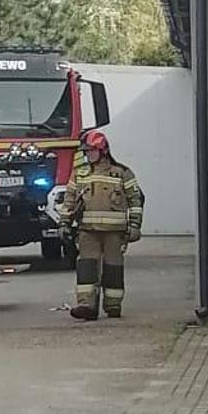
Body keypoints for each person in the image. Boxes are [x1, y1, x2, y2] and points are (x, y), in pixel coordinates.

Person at [59, 130, 143, 320]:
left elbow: (135, 200)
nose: (87, 155)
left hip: (115, 233)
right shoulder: (80, 174)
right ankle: (86, 306)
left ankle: (113, 306)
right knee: (86, 268)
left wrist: (135, 225)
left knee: (113, 268)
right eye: (86, 151)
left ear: (102, 150)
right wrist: (64, 223)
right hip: (88, 231)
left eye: (90, 151)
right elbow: (69, 201)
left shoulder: (122, 173)